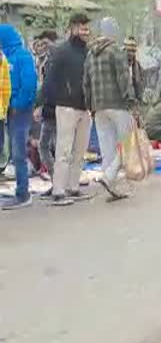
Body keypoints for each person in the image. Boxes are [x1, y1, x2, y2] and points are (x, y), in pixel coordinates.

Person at [83, 17, 137, 201]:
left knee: (107, 149)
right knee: (128, 144)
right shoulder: (115, 51)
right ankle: (109, 177)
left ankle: (111, 186)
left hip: (98, 107)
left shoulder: (91, 54)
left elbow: (86, 83)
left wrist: (90, 105)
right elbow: (124, 79)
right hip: (118, 105)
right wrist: (130, 101)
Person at [45, 13, 92, 207]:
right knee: (63, 150)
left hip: (85, 107)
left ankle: (73, 186)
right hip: (66, 106)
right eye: (82, 28)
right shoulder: (61, 51)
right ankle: (58, 191)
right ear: (73, 28)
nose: (85, 31)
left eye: (87, 28)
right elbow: (50, 80)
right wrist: (48, 103)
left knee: (80, 151)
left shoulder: (88, 52)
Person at [0, 25, 38, 210]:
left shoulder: (22, 56)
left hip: (20, 110)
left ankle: (23, 194)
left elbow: (30, 84)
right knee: (11, 152)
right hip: (7, 109)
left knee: (18, 152)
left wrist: (17, 104)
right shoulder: (4, 56)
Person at [33, 31, 58, 182]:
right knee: (46, 145)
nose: (43, 47)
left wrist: (38, 104)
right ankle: (57, 179)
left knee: (51, 145)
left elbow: (47, 86)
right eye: (40, 44)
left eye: (45, 44)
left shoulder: (54, 61)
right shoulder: (46, 62)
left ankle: (58, 180)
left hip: (55, 108)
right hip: (50, 109)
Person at [124, 36, 145, 105]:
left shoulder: (137, 66)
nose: (131, 53)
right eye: (129, 51)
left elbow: (140, 83)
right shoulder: (119, 64)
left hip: (135, 102)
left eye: (133, 51)